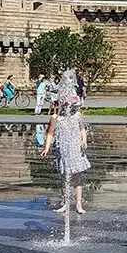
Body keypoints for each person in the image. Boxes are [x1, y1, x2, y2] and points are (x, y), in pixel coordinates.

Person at [41, 70, 91, 215]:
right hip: (62, 150)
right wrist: (46, 148)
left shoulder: (76, 115)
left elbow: (82, 129)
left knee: (77, 177)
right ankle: (65, 203)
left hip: (76, 149)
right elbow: (50, 134)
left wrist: (84, 140)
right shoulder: (56, 118)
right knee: (65, 177)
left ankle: (79, 204)